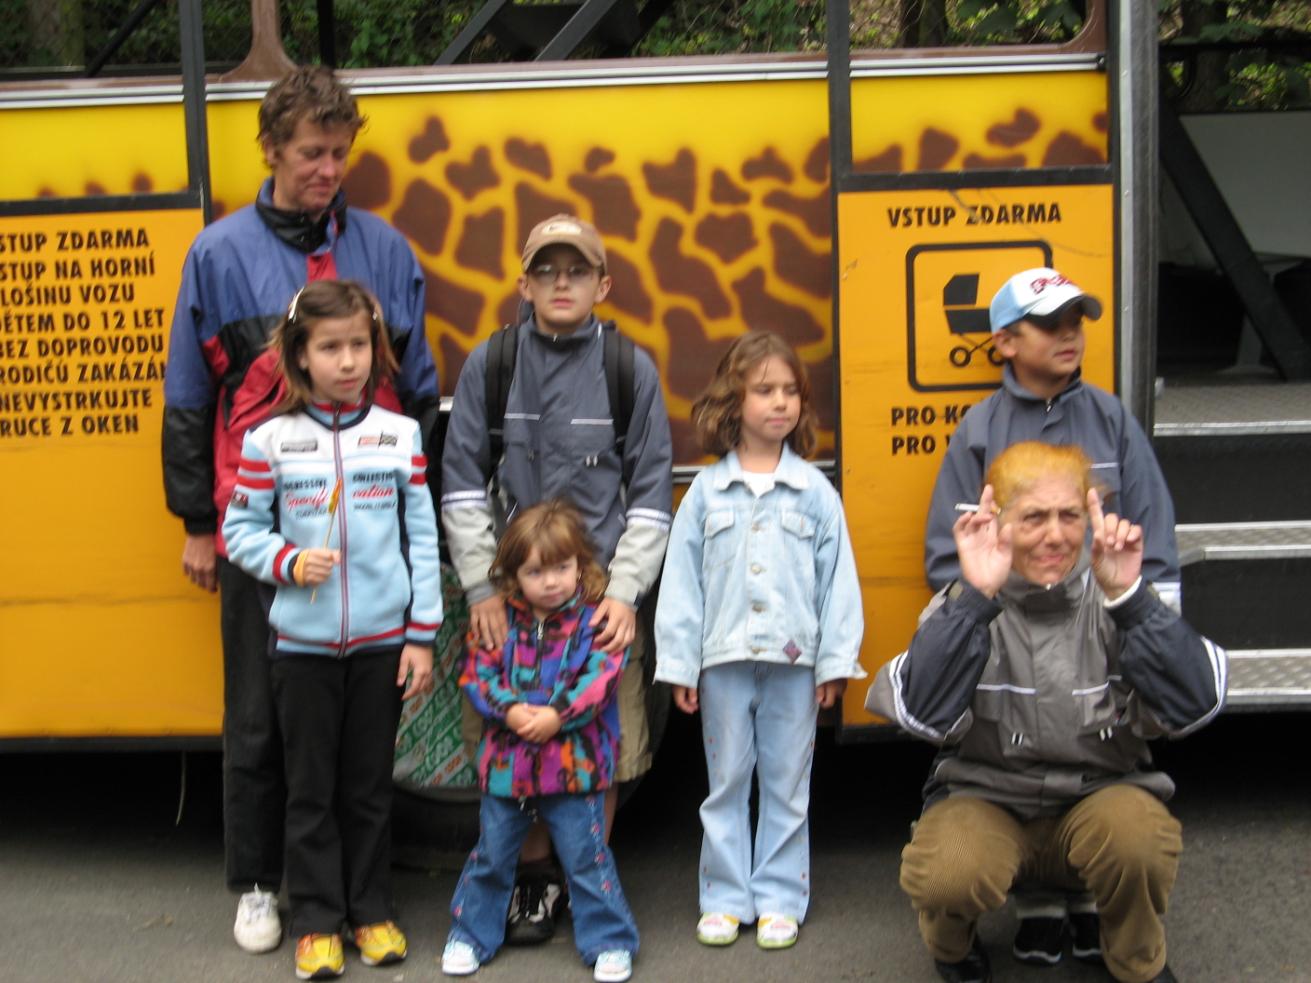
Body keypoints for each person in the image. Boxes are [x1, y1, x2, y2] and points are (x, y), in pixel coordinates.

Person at [161, 65, 440, 955]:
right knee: (256, 712)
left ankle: (360, 895)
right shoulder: (219, 251)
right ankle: (256, 880)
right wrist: (200, 523)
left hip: (366, 526)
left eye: (339, 152)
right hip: (263, 530)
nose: (328, 168)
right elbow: (187, 397)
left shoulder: (387, 252)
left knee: (357, 730)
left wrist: (410, 515)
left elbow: (420, 391)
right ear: (272, 148)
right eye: (311, 153)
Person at [868, 441, 1227, 983]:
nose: (1055, 536)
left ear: (1090, 518)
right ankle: (951, 947)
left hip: (1097, 801)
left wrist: (1130, 599)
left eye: (1069, 516)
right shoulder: (961, 604)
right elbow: (921, 714)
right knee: (948, 871)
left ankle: (1136, 960)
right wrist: (975, 599)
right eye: (1033, 517)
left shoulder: (1118, 596)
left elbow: (1196, 703)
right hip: (989, 802)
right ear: (997, 521)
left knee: (1138, 842)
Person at [922, 267, 1182, 964]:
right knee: (1019, 749)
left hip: (1097, 636)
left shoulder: (1108, 417)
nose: (1068, 333)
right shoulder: (978, 429)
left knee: (1097, 762)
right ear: (1004, 341)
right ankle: (1040, 903)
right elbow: (953, 557)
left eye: (1076, 318)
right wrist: (978, 615)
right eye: (1049, 322)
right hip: (1013, 637)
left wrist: (1153, 624)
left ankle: (1091, 900)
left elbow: (1151, 533)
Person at [441, 214, 672, 944]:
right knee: (515, 744)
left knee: (596, 749)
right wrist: (483, 591)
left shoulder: (628, 369)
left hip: (598, 599)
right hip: (513, 601)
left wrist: (626, 594)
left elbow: (652, 496)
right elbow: (461, 486)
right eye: (547, 270)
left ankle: (586, 875)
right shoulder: (493, 363)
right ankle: (535, 879)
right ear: (524, 283)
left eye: (576, 271)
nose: (561, 282)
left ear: (603, 284)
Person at [222, 280, 441, 981]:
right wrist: (287, 560)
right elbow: (239, 532)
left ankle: (371, 912)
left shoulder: (400, 434)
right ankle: (317, 920)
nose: (347, 361)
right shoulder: (268, 441)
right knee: (310, 789)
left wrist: (420, 634)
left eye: (359, 346)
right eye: (330, 347)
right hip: (302, 650)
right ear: (300, 354)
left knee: (369, 787)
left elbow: (422, 536)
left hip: (382, 646)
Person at [653, 330, 865, 951]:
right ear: (732, 400)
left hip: (794, 666)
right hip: (722, 663)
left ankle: (778, 896)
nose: (780, 402)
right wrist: (679, 666)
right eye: (764, 390)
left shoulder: (816, 494)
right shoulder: (705, 495)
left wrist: (834, 662)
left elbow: (839, 584)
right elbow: (682, 586)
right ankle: (723, 896)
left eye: (790, 391)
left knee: (786, 782)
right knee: (726, 782)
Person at [441, 499, 639, 983]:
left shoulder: (595, 619)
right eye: (535, 572)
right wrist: (508, 708)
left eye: (562, 568)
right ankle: (470, 934)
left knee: (587, 859)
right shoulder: (498, 619)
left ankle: (610, 941)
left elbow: (602, 678)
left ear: (580, 565)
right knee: (491, 856)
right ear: (512, 575)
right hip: (507, 772)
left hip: (575, 769)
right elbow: (477, 671)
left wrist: (558, 715)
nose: (551, 581)